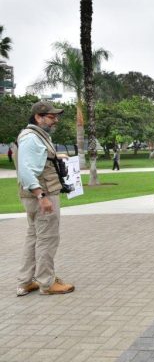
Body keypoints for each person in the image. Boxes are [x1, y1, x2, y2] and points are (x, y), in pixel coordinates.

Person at [14, 100, 75, 295]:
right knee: (47, 238)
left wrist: (55, 156)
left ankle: (25, 281)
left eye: (56, 116)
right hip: (42, 195)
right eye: (51, 116)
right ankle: (47, 283)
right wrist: (41, 196)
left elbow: (37, 159)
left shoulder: (35, 136)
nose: (55, 120)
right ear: (38, 117)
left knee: (34, 236)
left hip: (37, 195)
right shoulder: (31, 138)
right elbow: (26, 170)